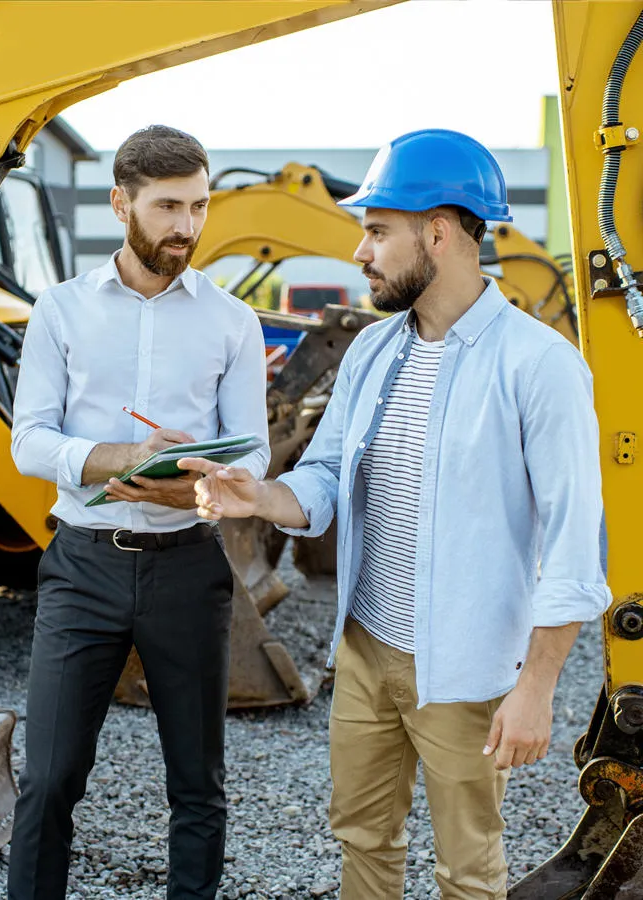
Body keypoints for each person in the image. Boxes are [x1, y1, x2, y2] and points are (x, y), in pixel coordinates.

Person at [179, 128, 612, 899]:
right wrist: (261, 497)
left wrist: (537, 688)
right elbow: (322, 479)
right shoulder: (375, 351)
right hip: (365, 648)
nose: (360, 251)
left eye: (377, 231)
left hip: (466, 671)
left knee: (467, 870)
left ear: (438, 232)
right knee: (363, 839)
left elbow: (576, 552)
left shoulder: (539, 366)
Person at [6, 124, 270, 899]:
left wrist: (204, 476)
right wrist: (113, 457)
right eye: (167, 207)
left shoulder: (233, 322)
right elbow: (28, 441)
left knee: (197, 784)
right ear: (121, 202)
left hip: (188, 565)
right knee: (49, 777)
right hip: (82, 566)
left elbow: (252, 456)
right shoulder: (59, 311)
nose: (186, 226)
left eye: (198, 205)